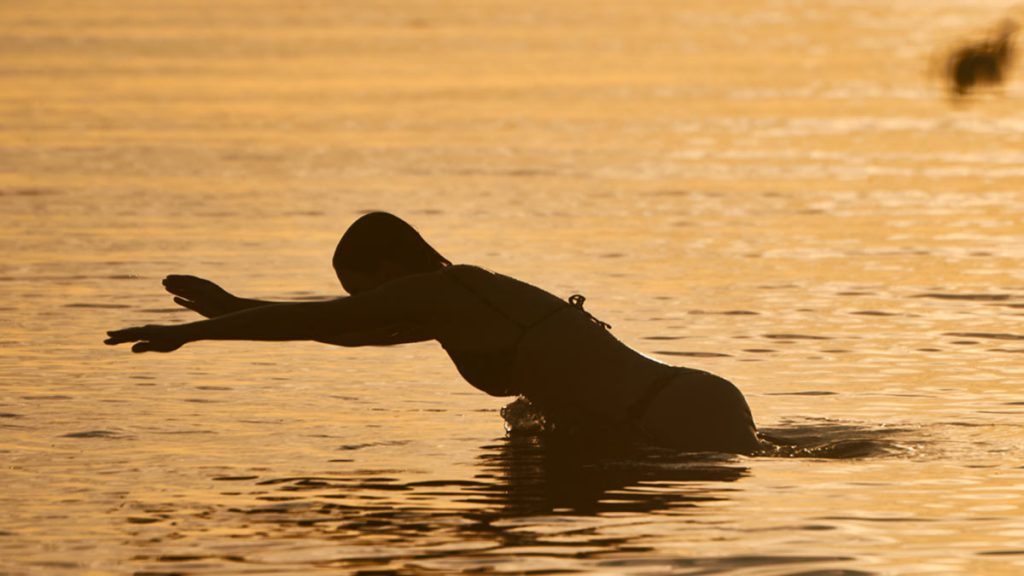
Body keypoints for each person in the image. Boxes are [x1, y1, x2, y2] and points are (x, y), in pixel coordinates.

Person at [106, 212, 761, 454]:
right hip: (689, 401)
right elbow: (349, 333)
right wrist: (234, 310)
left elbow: (321, 320)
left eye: (365, 290)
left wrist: (193, 334)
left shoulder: (440, 289)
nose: (367, 305)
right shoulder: (461, 300)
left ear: (390, 268)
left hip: (674, 416)